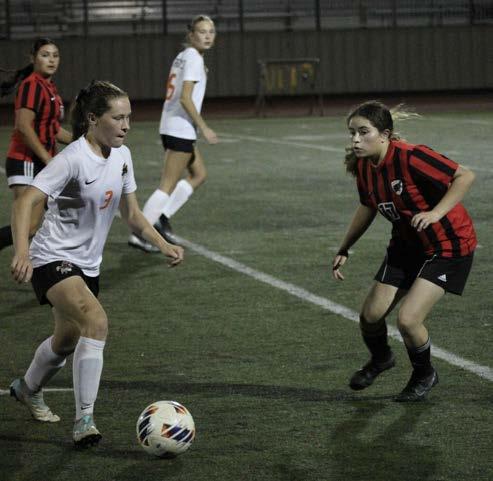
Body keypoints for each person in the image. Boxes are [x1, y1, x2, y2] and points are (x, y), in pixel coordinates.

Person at [9, 80, 184, 446]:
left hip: (88, 266)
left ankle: (27, 388)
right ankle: (84, 420)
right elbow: (25, 201)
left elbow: (132, 215)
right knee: (96, 321)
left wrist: (162, 243)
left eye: (128, 117)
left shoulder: (122, 156)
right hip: (52, 258)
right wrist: (22, 252)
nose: (126, 125)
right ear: (92, 119)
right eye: (117, 118)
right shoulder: (72, 159)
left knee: (65, 341)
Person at [332, 100, 476, 402]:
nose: (355, 140)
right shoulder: (365, 166)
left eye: (363, 132)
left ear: (384, 135)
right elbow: (368, 206)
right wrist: (345, 246)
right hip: (407, 245)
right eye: (352, 133)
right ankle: (381, 359)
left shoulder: (411, 156)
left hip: (448, 245)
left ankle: (425, 373)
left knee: (408, 320)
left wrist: (435, 213)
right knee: (370, 316)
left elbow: (465, 176)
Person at [128, 14, 218, 252]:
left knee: (199, 174)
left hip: (173, 125)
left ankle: (161, 217)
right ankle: (140, 234)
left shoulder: (184, 55)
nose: (207, 36)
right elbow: (186, 98)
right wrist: (204, 127)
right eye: (202, 31)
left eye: (211, 31)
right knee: (166, 185)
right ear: (191, 35)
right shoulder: (194, 58)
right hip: (180, 128)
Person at [0, 38, 72, 250]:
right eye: (45, 55)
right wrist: (48, 159)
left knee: (33, 226)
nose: (51, 60)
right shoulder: (32, 85)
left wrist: (83, 140)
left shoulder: (48, 87)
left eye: (55, 55)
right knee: (26, 226)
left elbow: (53, 129)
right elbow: (23, 126)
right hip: (26, 160)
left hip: (40, 162)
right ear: (33, 58)